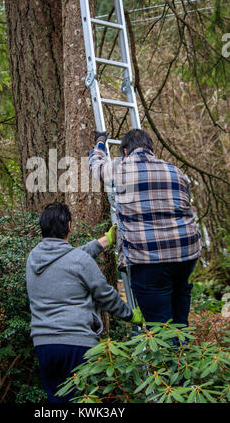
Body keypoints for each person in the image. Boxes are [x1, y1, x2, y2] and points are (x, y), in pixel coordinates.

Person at [26, 202, 144, 403]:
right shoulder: (78, 260)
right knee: (85, 401)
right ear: (70, 226)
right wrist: (130, 315)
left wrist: (104, 242)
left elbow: (69, 259)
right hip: (77, 343)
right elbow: (105, 294)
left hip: (44, 345)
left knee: (57, 402)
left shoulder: (33, 258)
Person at [90, 128, 202, 329]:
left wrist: (99, 144)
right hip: (186, 254)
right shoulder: (176, 171)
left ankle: (168, 358)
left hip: (149, 260)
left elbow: (96, 167)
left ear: (125, 151)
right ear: (151, 149)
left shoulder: (121, 168)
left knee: (161, 328)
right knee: (179, 321)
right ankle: (184, 356)